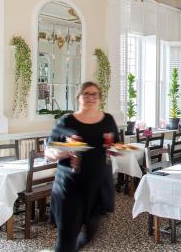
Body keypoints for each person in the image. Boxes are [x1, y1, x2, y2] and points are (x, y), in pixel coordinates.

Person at [45, 81, 119, 252]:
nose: (90, 98)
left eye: (94, 94)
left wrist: (116, 150)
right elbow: (48, 152)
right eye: (86, 94)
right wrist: (63, 152)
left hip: (99, 186)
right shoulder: (66, 121)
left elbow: (114, 147)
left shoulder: (108, 120)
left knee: (91, 232)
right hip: (71, 188)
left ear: (99, 98)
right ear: (78, 97)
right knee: (67, 238)